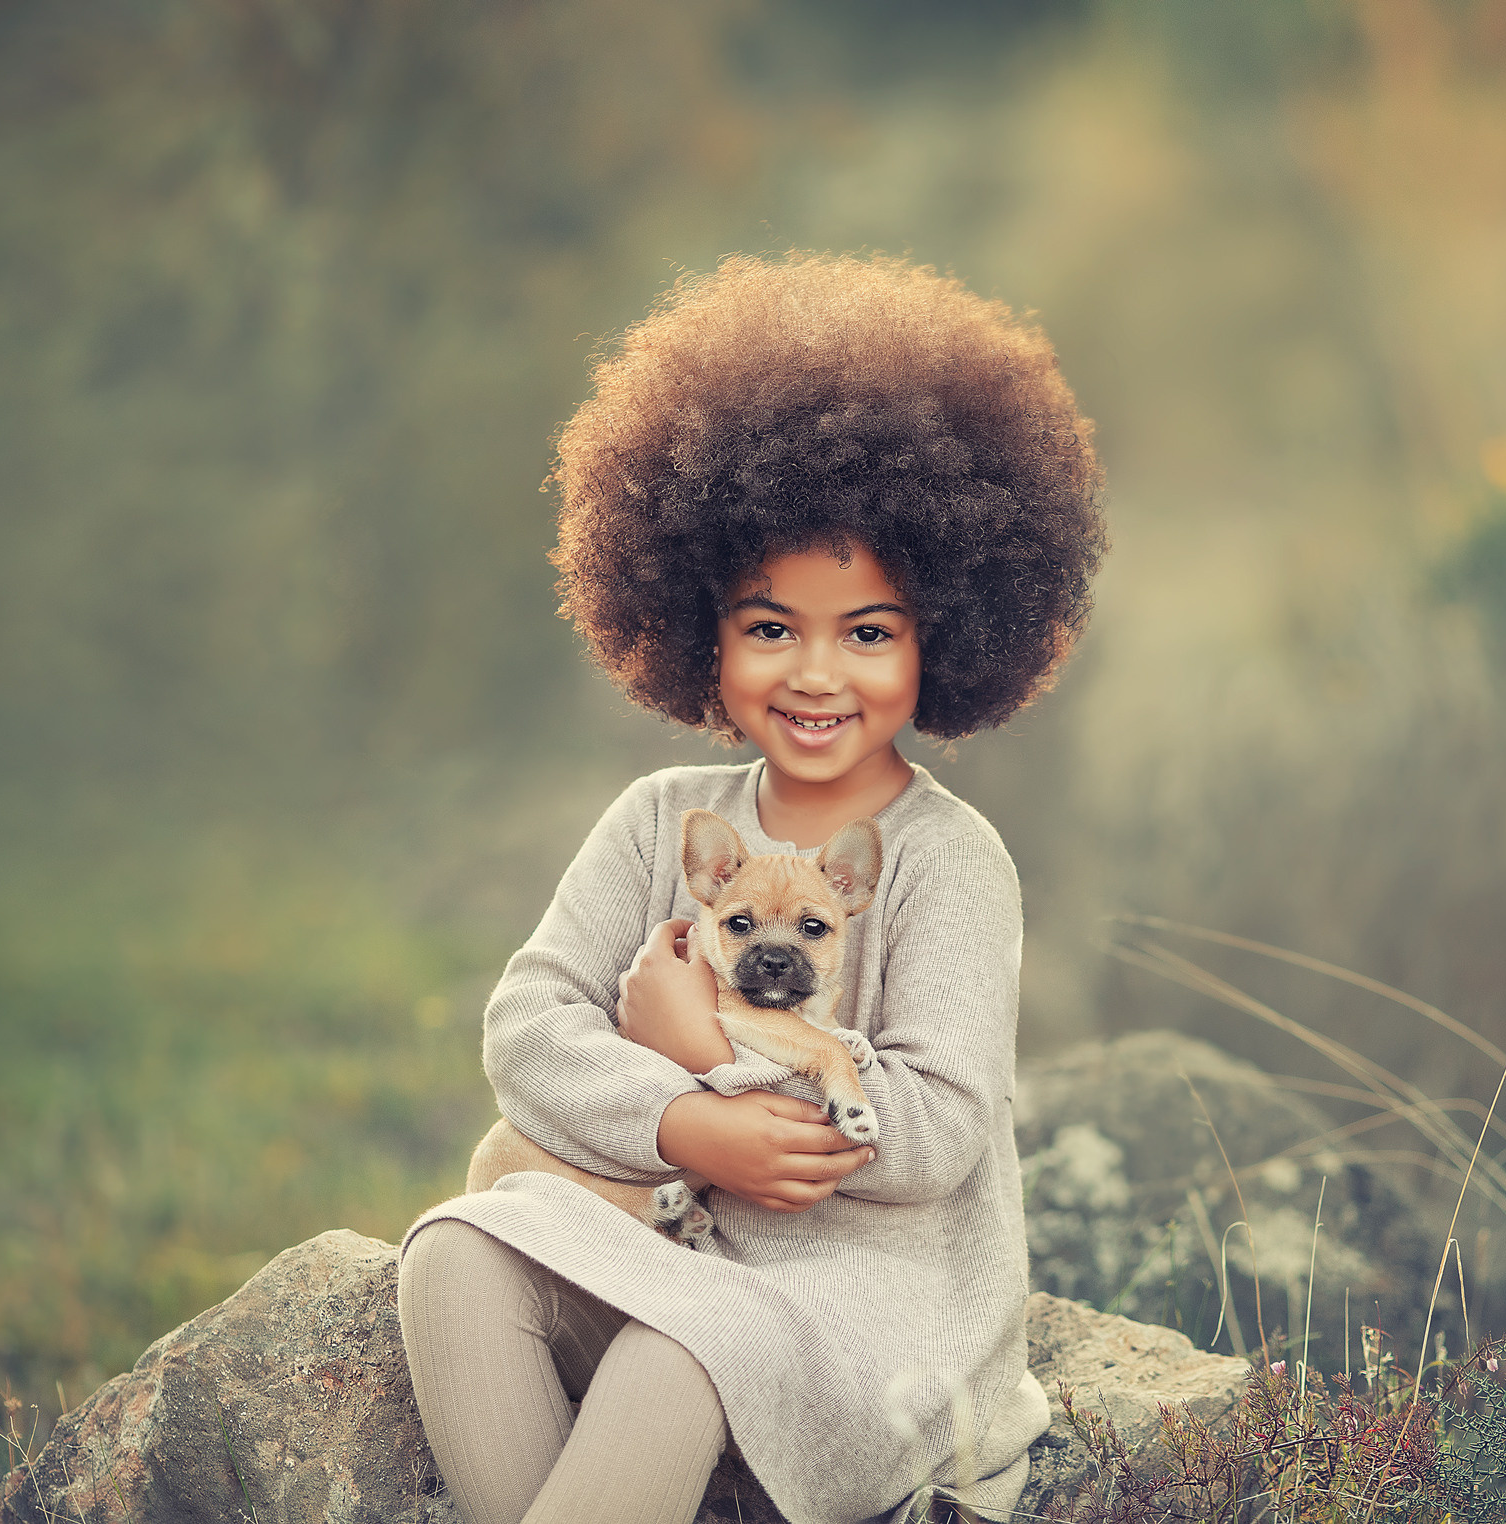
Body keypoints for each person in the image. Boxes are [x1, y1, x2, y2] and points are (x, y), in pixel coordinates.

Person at [395, 252, 1108, 1524]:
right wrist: (682, 1126)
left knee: (681, 1359)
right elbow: (527, 1024)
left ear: (947, 633)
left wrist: (712, 1046)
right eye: (770, 626)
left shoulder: (951, 862)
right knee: (451, 1255)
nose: (816, 673)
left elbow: (932, 1136)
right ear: (696, 628)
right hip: (667, 1236)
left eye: (869, 630)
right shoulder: (661, 820)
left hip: (861, 1300)